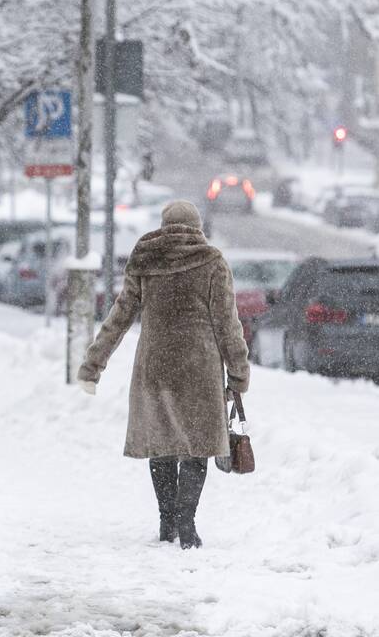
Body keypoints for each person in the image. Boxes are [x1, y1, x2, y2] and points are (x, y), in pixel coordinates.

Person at [78, 200, 249, 549]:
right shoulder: (212, 261)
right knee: (196, 447)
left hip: (155, 366)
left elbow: (119, 317)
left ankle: (166, 520)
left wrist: (93, 365)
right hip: (198, 367)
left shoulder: (145, 257)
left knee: (162, 446)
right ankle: (187, 525)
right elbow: (227, 324)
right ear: (197, 226)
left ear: (164, 224)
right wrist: (238, 373)